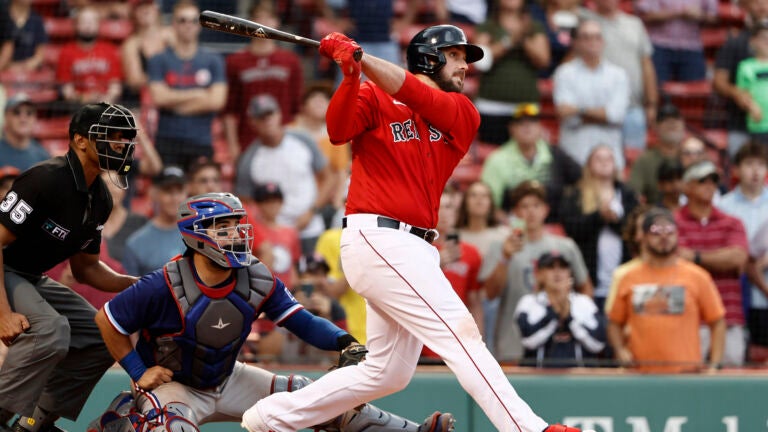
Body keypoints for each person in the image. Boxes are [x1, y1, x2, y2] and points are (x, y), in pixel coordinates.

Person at [241, 25, 589, 432]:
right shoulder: (373, 93)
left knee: (388, 372)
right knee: (460, 333)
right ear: (430, 57)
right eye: (457, 55)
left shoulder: (462, 111)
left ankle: (268, 418)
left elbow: (416, 95)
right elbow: (337, 132)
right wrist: (352, 75)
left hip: (415, 246)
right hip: (379, 236)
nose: (464, 66)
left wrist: (362, 60)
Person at [92, 192, 453, 432]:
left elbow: (300, 320)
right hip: (175, 388)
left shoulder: (256, 276)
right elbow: (107, 319)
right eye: (224, 227)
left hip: (227, 377)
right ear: (196, 234)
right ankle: (128, 417)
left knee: (311, 395)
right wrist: (138, 372)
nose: (235, 233)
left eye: (236, 225)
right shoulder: (163, 283)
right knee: (171, 426)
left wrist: (345, 342)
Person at [0, 103, 139, 432]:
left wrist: (135, 283)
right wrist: (3, 312)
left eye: (125, 140)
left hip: (30, 277)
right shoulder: (44, 179)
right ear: (80, 141)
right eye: (112, 137)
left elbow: (86, 270)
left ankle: (35, 421)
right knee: (53, 330)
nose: (121, 146)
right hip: (6, 270)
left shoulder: (100, 198)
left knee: (104, 333)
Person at [607, 208, 726, 372]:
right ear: (643, 237)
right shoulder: (629, 278)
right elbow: (614, 323)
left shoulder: (697, 276)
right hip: (641, 375)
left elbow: (717, 321)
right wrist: (620, 350)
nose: (664, 237)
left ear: (677, 235)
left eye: (670, 231)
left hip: (685, 374)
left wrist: (714, 365)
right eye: (656, 232)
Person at [484, 180, 592, 361]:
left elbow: (586, 288)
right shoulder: (500, 247)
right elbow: (490, 293)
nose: (531, 212)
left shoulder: (565, 246)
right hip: (512, 342)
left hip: (559, 343)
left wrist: (574, 322)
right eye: (524, 206)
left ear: (546, 210)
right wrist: (505, 258)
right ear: (516, 212)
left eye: (536, 205)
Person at [235, 94, 332, 255]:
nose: (267, 120)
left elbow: (328, 176)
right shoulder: (248, 158)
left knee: (316, 276)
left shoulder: (302, 139)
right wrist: (269, 224)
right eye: (261, 117)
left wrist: (313, 210)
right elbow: (246, 202)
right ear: (252, 121)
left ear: (279, 114)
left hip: (311, 225)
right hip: (275, 234)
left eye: (270, 114)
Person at [675, 160, 750, 366]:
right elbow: (677, 261)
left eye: (713, 181)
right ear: (686, 186)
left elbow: (737, 258)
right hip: (687, 318)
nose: (709, 185)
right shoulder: (672, 223)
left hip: (728, 316)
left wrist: (697, 257)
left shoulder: (732, 222)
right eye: (702, 181)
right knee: (687, 381)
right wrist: (719, 258)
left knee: (732, 384)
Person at [147, 0, 227, 170]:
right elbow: (159, 98)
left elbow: (216, 101)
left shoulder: (214, 60)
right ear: (174, 24)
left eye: (193, 21)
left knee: (203, 196)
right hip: (168, 141)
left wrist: (174, 104)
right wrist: (199, 94)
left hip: (201, 140)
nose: (188, 25)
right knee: (169, 194)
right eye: (182, 20)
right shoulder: (158, 60)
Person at [559, 145, 638, 311]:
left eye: (608, 158)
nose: (604, 163)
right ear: (588, 165)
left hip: (622, 280)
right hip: (587, 280)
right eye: (598, 159)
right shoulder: (576, 194)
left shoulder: (627, 194)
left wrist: (614, 221)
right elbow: (572, 229)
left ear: (616, 165)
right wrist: (599, 217)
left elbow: (635, 231)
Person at [223, 0, 304, 159]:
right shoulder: (235, 62)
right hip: (248, 141)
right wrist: (232, 145)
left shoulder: (291, 61)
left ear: (277, 22)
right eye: (258, 18)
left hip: (284, 141)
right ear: (248, 24)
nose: (263, 24)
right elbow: (230, 111)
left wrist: (296, 141)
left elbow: (298, 109)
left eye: (268, 18)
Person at [480, 102, 581, 220]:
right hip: (513, 228)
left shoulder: (556, 154)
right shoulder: (497, 159)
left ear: (540, 127)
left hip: (554, 226)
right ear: (511, 129)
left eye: (532, 122)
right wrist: (507, 224)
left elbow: (583, 179)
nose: (527, 127)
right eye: (520, 123)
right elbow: (488, 203)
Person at [581, 0, 658, 151]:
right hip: (597, 111)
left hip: (632, 108)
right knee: (599, 161)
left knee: (633, 160)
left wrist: (651, 103)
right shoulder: (586, 24)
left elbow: (647, 66)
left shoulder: (634, 24)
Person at [553, 20, 630, 170]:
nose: (592, 42)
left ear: (603, 41)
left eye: (597, 37)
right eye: (586, 37)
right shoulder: (564, 73)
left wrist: (579, 110)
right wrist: (602, 115)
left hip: (610, 158)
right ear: (576, 42)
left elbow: (616, 115)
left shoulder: (619, 75)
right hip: (574, 156)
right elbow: (566, 115)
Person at [473, 0, 551, 144]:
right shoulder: (488, 26)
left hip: (526, 107)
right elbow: (480, 61)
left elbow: (543, 61)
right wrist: (508, 41)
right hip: (491, 107)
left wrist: (523, 39)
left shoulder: (533, 27)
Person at [718, 142, 768, 360]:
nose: (755, 171)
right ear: (737, 169)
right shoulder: (723, 205)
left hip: (765, 292)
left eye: (761, 164)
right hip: (735, 292)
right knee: (741, 356)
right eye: (749, 164)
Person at [515, 251, 606, 368]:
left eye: (562, 267)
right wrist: (555, 312)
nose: (557, 272)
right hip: (538, 378)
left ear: (570, 273)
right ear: (539, 274)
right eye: (550, 267)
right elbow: (528, 340)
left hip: (580, 379)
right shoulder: (528, 302)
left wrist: (569, 318)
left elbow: (598, 344)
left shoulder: (584, 302)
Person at [713, 0, 768, 156]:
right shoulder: (735, 43)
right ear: (746, 5)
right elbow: (719, 81)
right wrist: (738, 93)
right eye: (756, 2)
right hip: (740, 124)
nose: (762, 6)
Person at [122, 166, 187, 277]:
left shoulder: (198, 234)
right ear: (155, 194)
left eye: (179, 191)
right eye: (168, 191)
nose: (175, 198)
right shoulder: (136, 243)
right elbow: (132, 291)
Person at [635, 0, 717, 84]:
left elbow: (714, 18)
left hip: (692, 48)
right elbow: (643, 15)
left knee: (697, 90)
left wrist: (700, 15)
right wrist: (675, 14)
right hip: (659, 46)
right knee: (655, 88)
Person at [56, 6, 123, 106]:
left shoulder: (110, 50)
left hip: (107, 106)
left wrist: (104, 101)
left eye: (92, 22)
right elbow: (66, 90)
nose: (88, 26)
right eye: (83, 22)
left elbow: (116, 87)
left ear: (98, 25)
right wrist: (84, 98)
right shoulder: (66, 52)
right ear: (76, 25)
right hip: (78, 109)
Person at [628, 103, 686, 205]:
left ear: (683, 124)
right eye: (665, 120)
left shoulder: (693, 155)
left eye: (676, 119)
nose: (671, 123)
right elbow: (633, 194)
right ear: (655, 127)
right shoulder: (645, 160)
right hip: (657, 214)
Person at [120, 0, 175, 108]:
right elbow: (134, 81)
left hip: (174, 94)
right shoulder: (131, 44)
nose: (145, 10)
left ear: (156, 9)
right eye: (140, 7)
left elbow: (186, 62)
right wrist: (167, 77)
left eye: (148, 5)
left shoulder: (172, 34)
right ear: (133, 14)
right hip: (143, 102)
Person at [736, 23, 768, 145]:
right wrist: (750, 106)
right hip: (758, 125)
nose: (767, 41)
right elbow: (742, 94)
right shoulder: (746, 66)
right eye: (763, 38)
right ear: (753, 41)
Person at [0, 94, 48, 172]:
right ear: (6, 117)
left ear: (34, 118)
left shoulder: (42, 156)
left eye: (29, 113)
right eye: (16, 112)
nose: (23, 118)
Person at [0, 0, 47, 72]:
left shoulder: (37, 20)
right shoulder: (3, 15)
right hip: (3, 69)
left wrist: (24, 66)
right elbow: (6, 49)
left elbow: (40, 55)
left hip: (27, 73)